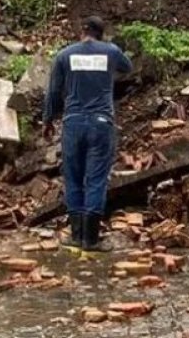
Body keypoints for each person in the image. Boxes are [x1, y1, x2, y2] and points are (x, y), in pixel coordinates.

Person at [43, 16, 134, 251]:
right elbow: (128, 68)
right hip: (101, 123)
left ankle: (76, 235)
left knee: (73, 178)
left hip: (73, 123)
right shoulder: (111, 51)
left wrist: (48, 120)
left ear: (82, 31)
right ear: (101, 34)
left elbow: (53, 91)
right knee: (96, 180)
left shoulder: (64, 55)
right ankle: (91, 239)